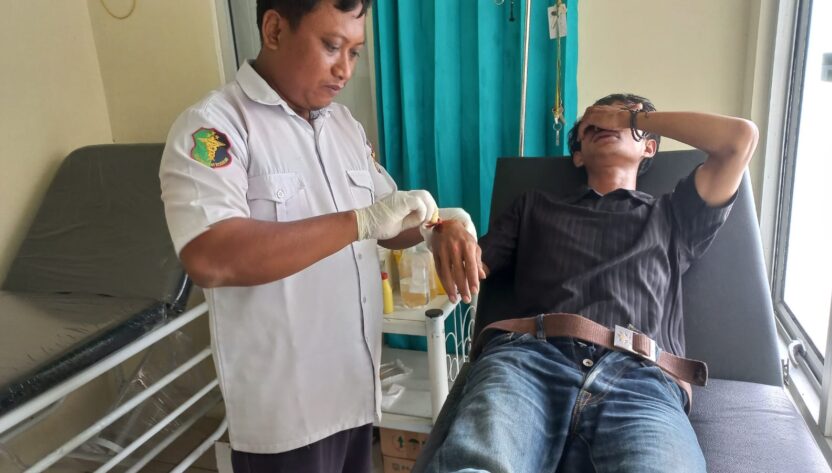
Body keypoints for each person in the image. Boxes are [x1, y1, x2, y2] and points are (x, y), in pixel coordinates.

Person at [158, 1, 482, 471]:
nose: (345, 69)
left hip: (354, 391)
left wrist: (440, 224)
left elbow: (390, 221)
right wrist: (359, 223)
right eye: (331, 46)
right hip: (287, 414)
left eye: (354, 52)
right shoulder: (215, 127)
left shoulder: (343, 126)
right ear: (274, 30)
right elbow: (211, 256)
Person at [418, 93, 759, 473]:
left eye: (623, 117)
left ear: (649, 147)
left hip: (640, 377)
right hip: (529, 360)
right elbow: (470, 265)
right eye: (592, 124)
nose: (604, 122)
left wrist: (633, 119)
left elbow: (738, 140)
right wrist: (444, 228)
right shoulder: (534, 207)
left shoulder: (674, 214)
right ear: (578, 155)